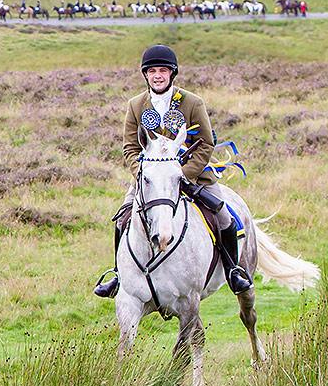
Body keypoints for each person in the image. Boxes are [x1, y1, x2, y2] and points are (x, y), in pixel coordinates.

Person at [94, 44, 253, 298]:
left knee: (224, 216)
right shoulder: (135, 105)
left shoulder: (192, 102)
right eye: (153, 71)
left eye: (163, 70)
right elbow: (129, 148)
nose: (158, 75)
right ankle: (118, 275)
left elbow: (206, 144)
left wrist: (183, 174)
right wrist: (140, 174)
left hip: (192, 175)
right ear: (145, 75)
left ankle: (233, 270)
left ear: (172, 73)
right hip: (150, 178)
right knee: (122, 218)